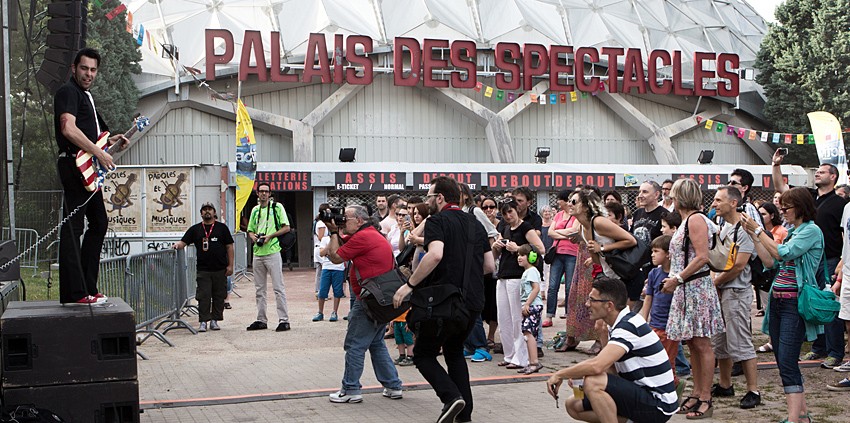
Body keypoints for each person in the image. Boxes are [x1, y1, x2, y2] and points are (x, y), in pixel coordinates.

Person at [392, 176, 494, 423]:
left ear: (439, 198)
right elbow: (489, 265)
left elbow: (435, 255)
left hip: (444, 303)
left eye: (429, 196)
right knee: (454, 351)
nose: (427, 201)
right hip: (472, 302)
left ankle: (451, 398)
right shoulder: (475, 223)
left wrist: (409, 285)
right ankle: (464, 415)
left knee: (424, 354)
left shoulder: (437, 221)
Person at [547, 277, 678, 423]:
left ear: (609, 306)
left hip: (658, 404)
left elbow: (597, 366)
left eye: (592, 300)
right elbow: (612, 372)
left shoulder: (628, 326)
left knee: (593, 382)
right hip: (641, 394)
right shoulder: (616, 325)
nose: (587, 304)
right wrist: (602, 335)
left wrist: (560, 374)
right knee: (573, 404)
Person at [742, 187, 823, 423]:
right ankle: (803, 416)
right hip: (778, 303)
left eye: (786, 207)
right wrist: (754, 237)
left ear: (800, 207)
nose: (782, 211)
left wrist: (758, 229)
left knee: (787, 362)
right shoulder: (793, 231)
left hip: (794, 304)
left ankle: (793, 419)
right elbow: (770, 261)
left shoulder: (811, 231)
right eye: (781, 207)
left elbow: (783, 253)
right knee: (782, 359)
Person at [54, 48, 128, 304]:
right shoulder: (68, 92)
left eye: (93, 70)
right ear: (74, 68)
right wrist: (99, 151)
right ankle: (74, 293)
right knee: (73, 227)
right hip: (73, 166)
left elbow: (95, 134)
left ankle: (87, 286)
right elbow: (68, 128)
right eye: (84, 68)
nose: (89, 74)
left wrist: (112, 140)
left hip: (87, 169)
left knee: (99, 223)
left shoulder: (87, 97)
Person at [773, 151, 848, 368]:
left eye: (823, 172)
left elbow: (845, 235)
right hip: (803, 260)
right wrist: (776, 165)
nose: (818, 174)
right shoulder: (809, 197)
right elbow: (781, 189)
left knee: (826, 304)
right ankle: (818, 347)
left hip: (830, 259)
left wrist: (843, 262)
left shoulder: (840, 203)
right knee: (807, 305)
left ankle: (835, 351)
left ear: (833, 177)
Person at [326, 205, 404, 404]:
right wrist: (334, 232)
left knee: (354, 345)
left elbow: (335, 257)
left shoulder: (362, 237)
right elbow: (332, 248)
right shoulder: (371, 233)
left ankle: (350, 389)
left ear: (359, 221)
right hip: (381, 300)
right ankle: (393, 385)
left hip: (368, 301)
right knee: (376, 344)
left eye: (347, 218)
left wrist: (334, 231)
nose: (343, 221)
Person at [661, 178, 724, 419]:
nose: (671, 199)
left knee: (702, 343)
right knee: (693, 343)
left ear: (681, 196)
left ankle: (706, 396)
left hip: (695, 286)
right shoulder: (688, 220)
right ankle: (697, 393)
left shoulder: (695, 219)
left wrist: (678, 278)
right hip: (688, 288)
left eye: (673, 195)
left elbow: (702, 257)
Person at [709, 186, 761, 409]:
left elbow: (739, 264)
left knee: (740, 340)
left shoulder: (744, 228)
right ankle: (725, 383)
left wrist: (716, 282)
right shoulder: (724, 227)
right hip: (722, 290)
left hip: (736, 291)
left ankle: (753, 390)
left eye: (719, 200)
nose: (714, 204)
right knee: (720, 340)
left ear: (733, 203)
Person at [493, 198, 545, 369]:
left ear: (517, 210)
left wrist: (518, 249)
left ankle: (521, 357)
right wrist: (497, 246)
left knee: (517, 319)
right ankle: (509, 355)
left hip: (518, 276)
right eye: (505, 213)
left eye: (511, 212)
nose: (508, 216)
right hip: (503, 275)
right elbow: (495, 252)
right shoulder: (504, 227)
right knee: (504, 318)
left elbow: (540, 249)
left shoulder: (526, 228)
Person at [173, 202, 234, 332]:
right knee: (203, 296)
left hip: (220, 269)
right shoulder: (195, 229)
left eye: (210, 209)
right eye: (204, 210)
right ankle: (203, 322)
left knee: (219, 296)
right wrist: (177, 245)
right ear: (201, 213)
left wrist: (230, 265)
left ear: (214, 212)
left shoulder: (222, 228)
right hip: (203, 269)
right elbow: (183, 242)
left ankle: (215, 320)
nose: (207, 212)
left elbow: (229, 246)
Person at [246, 182, 292, 332]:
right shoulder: (255, 210)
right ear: (257, 194)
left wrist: (270, 236)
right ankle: (261, 319)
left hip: (272, 251)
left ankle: (284, 320)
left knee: (278, 288)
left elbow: (286, 227)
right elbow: (250, 230)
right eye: (261, 191)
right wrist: (254, 237)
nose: (264, 194)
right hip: (258, 253)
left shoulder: (277, 207)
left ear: (270, 193)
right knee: (259, 289)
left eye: (266, 191)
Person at [638, 235, 682, 389]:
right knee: (653, 358)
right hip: (654, 324)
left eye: (656, 251)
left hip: (669, 326)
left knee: (667, 360)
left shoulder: (677, 276)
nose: (652, 254)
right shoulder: (653, 274)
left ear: (669, 254)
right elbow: (648, 298)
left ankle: (672, 386)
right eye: (652, 251)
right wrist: (643, 320)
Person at [544, 190, 580, 328]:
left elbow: (574, 232)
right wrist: (565, 234)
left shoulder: (576, 216)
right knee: (552, 286)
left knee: (570, 286)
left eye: (560, 199)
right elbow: (550, 232)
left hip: (572, 253)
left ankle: (569, 314)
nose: (558, 202)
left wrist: (557, 233)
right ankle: (549, 315)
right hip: (557, 253)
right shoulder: (558, 215)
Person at [828, 200, 850, 386]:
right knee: (848, 321)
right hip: (849, 272)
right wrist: (841, 274)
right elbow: (847, 242)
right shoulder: (848, 207)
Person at [517, 244, 544, 374]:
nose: (519, 257)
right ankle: (531, 361)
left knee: (529, 333)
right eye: (518, 255)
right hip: (530, 305)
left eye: (522, 255)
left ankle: (534, 363)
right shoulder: (527, 272)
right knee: (527, 333)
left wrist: (527, 304)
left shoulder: (532, 271)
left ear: (532, 257)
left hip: (533, 305)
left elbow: (536, 288)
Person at [313, 217, 344, 322]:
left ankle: (334, 312)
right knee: (322, 291)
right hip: (326, 267)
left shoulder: (342, 239)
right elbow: (321, 253)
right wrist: (331, 244)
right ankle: (320, 312)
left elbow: (338, 253)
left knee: (337, 291)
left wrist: (329, 250)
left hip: (338, 268)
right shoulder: (325, 239)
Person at [313, 204, 330, 298]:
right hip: (321, 248)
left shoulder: (318, 222)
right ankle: (321, 292)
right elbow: (321, 237)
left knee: (319, 272)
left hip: (318, 248)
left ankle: (319, 291)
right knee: (324, 272)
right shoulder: (321, 223)